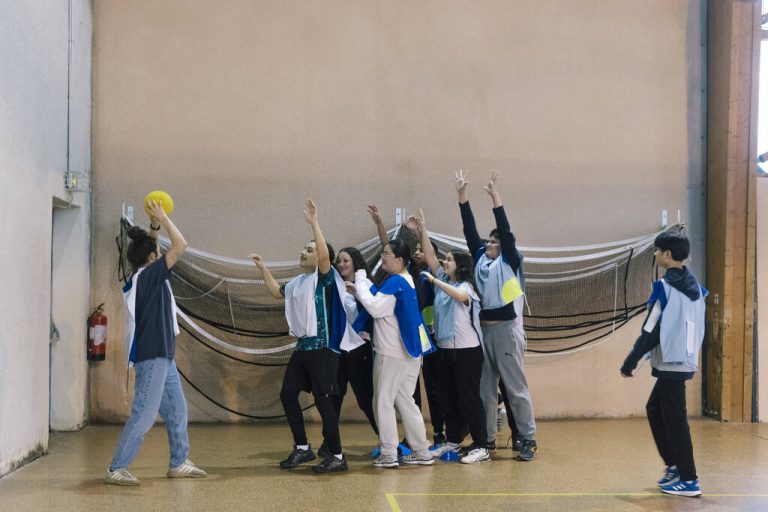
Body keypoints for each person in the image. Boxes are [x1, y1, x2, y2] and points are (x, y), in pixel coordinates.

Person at [105, 200, 206, 486]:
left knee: (177, 409)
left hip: (164, 355)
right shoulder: (149, 276)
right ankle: (117, 468)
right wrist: (165, 219)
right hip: (152, 355)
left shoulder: (144, 275)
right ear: (152, 258)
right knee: (144, 414)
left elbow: (156, 247)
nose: (161, 254)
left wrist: (154, 227)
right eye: (157, 252)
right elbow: (181, 244)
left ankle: (179, 462)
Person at [250, 199, 354, 474]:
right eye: (303, 249)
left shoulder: (326, 278)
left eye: (309, 249)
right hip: (303, 348)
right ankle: (302, 449)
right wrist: (263, 269)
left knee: (323, 401)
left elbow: (323, 257)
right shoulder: (298, 283)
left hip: (323, 349)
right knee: (287, 395)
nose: (303, 253)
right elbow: (275, 292)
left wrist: (314, 223)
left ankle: (338, 456)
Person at [455, 169, 538, 461]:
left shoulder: (510, 261)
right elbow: (469, 232)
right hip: (484, 331)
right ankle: (487, 440)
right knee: (485, 391)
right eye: (488, 242)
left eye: (495, 243)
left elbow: (505, 232)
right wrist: (462, 197)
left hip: (506, 330)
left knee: (515, 388)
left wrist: (495, 197)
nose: (490, 245)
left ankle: (526, 438)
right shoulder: (481, 260)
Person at [621, 229, 706, 497]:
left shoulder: (664, 288)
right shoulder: (697, 289)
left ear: (667, 255)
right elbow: (676, 326)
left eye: (658, 251)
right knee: (655, 408)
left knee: (676, 419)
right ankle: (674, 466)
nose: (656, 254)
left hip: (672, 364)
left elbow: (651, 329)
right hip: (683, 359)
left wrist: (631, 360)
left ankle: (689, 478)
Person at [351, 239, 436, 468]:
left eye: (387, 253)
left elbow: (376, 308)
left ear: (400, 259)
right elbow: (383, 304)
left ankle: (389, 453)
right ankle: (422, 451)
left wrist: (359, 281)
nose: (383, 257)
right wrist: (362, 291)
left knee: (383, 402)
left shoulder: (396, 281)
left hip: (392, 353)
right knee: (405, 402)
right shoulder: (407, 280)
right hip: (411, 352)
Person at [369, 204, 447, 448]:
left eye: (421, 250)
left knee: (430, 391)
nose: (417, 253)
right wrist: (382, 225)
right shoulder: (406, 272)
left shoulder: (434, 275)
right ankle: (417, 446)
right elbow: (390, 254)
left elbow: (395, 257)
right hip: (408, 343)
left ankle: (431, 438)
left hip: (423, 342)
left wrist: (421, 229)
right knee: (407, 397)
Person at [414, 210, 489, 464]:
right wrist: (423, 229)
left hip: (468, 352)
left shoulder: (465, 287)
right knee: (448, 398)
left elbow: (460, 297)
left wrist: (435, 280)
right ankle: (454, 441)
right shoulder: (444, 279)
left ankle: (481, 445)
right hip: (445, 350)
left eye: (449, 260)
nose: (444, 262)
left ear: (461, 266)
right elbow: (431, 256)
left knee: (469, 399)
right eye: (444, 259)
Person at [332, 247, 378, 438]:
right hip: (338, 348)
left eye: (346, 261)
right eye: (339, 261)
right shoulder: (334, 284)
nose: (341, 264)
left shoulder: (364, 284)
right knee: (334, 397)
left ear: (355, 263)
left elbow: (374, 310)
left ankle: (386, 442)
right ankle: (330, 444)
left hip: (360, 348)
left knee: (365, 399)